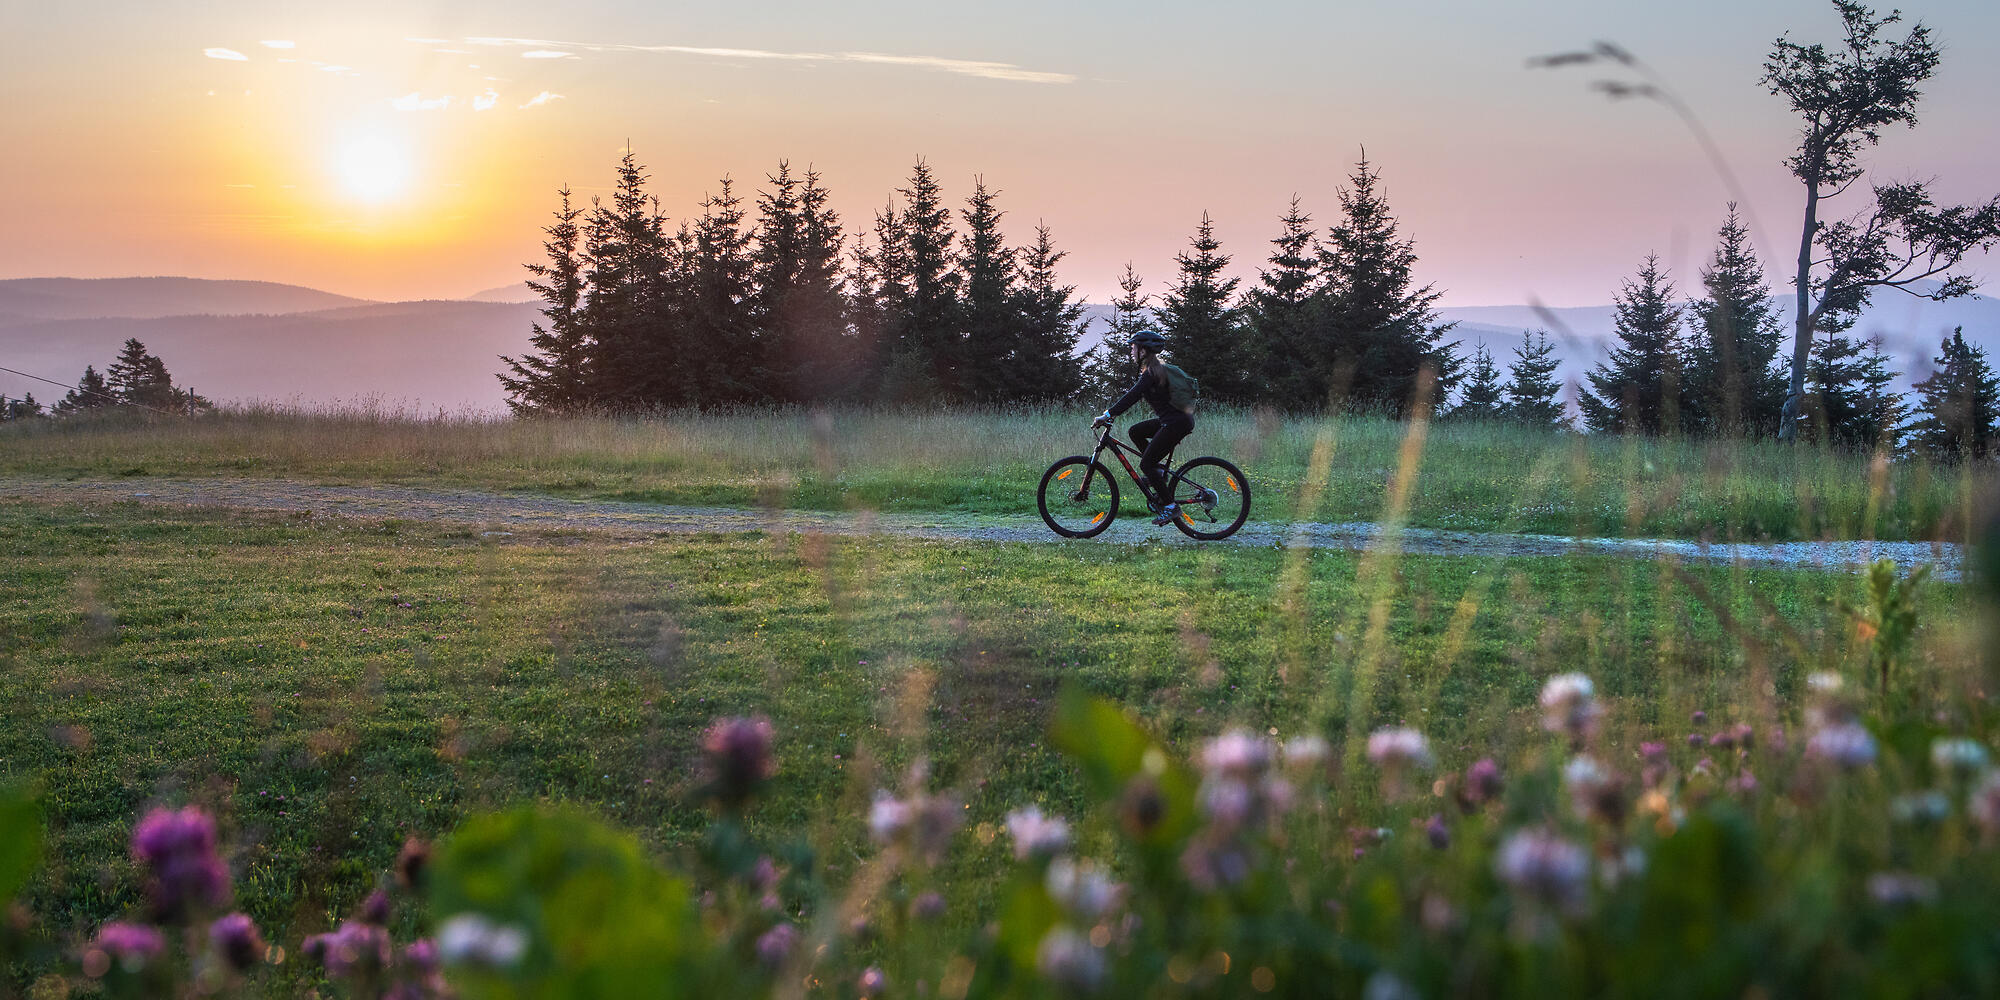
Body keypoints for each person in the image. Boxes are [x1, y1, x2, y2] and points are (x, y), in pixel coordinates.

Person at [1094, 329, 1196, 525]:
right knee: (1136, 431)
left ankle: (1170, 506)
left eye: (1134, 347)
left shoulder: (1152, 372)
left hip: (1176, 423)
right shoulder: (1155, 369)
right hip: (1175, 420)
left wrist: (1107, 415)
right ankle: (1158, 473)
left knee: (1146, 464)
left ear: (1143, 351)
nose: (1131, 351)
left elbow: (1132, 396)